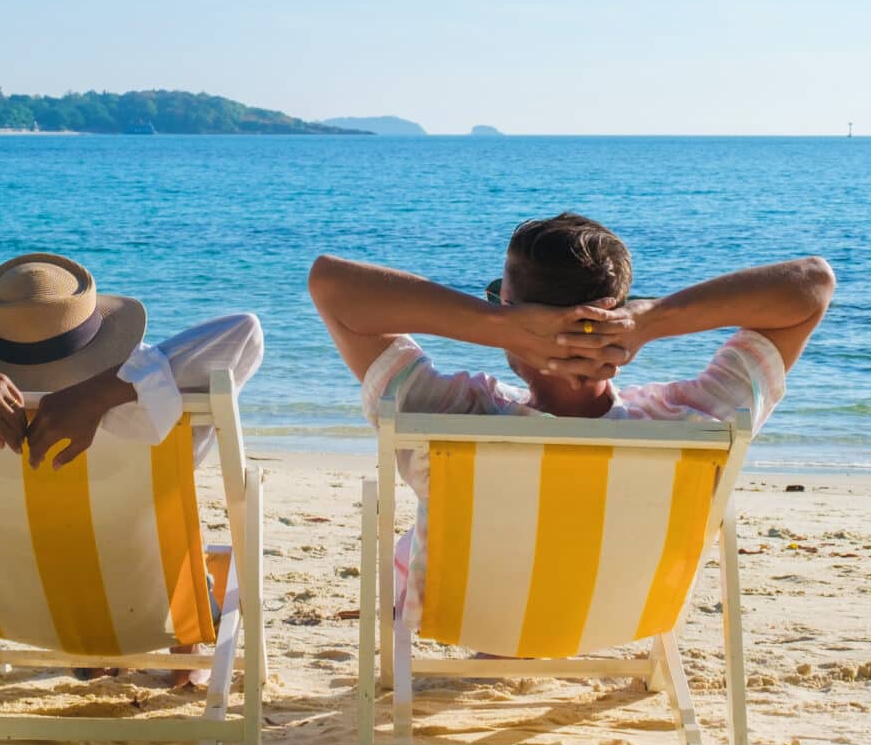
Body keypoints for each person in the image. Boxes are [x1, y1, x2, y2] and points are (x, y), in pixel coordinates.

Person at [306, 213, 834, 629]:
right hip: (623, 620)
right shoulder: (694, 422)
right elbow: (811, 285)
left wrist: (493, 324)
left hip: (472, 619)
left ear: (512, 311)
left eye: (499, 297)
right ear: (619, 311)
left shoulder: (448, 416)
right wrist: (653, 320)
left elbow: (331, 283)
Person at [0, 252, 262, 625]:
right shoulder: (146, 407)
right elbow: (244, 334)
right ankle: (185, 657)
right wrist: (106, 390)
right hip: (151, 608)